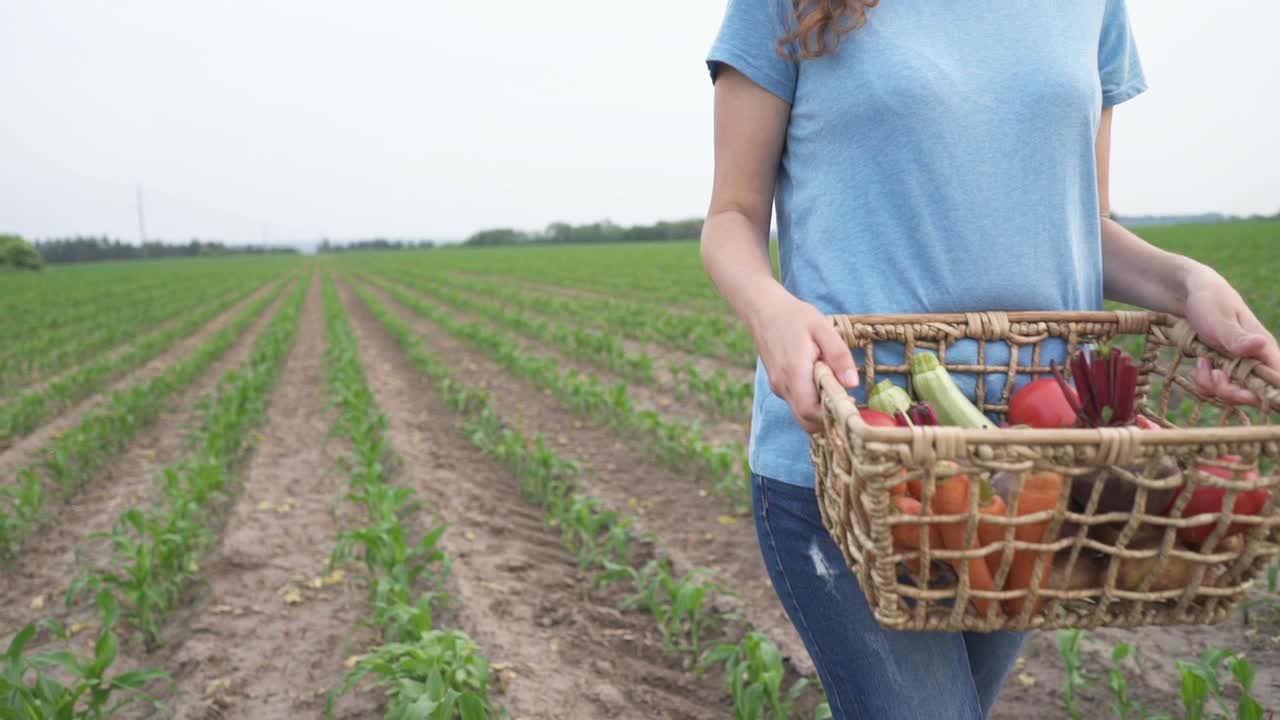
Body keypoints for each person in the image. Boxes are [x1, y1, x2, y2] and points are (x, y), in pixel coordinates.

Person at [698, 1, 1280, 718]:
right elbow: (732, 216)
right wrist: (772, 309)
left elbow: (1085, 222)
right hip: (859, 463)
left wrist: (1187, 283)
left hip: (1036, 469)